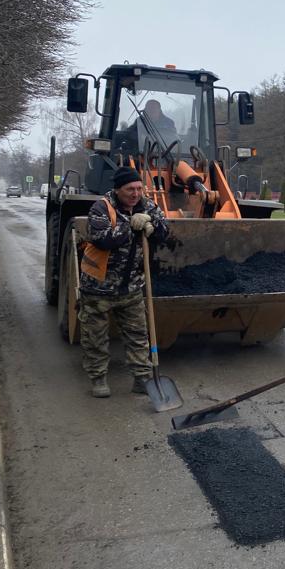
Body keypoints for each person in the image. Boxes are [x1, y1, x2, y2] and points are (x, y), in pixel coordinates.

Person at [78, 166, 170, 398]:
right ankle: (98, 378)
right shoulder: (101, 208)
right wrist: (130, 225)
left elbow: (165, 233)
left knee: (138, 335)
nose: (136, 193)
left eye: (139, 188)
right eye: (130, 189)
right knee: (95, 337)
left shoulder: (148, 206)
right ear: (118, 190)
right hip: (98, 287)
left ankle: (142, 379)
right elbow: (103, 239)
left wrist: (153, 225)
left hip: (131, 286)